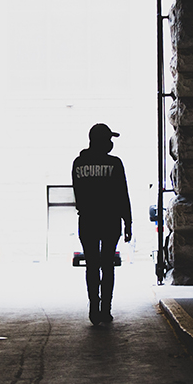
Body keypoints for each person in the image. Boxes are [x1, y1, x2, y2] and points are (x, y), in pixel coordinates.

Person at [72, 123, 132, 325]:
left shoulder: (78, 164)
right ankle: (106, 309)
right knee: (107, 265)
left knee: (92, 266)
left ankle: (93, 309)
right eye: (109, 139)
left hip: (87, 220)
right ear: (101, 141)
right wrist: (128, 223)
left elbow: (78, 195)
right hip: (110, 220)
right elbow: (123, 195)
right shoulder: (115, 164)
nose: (111, 143)